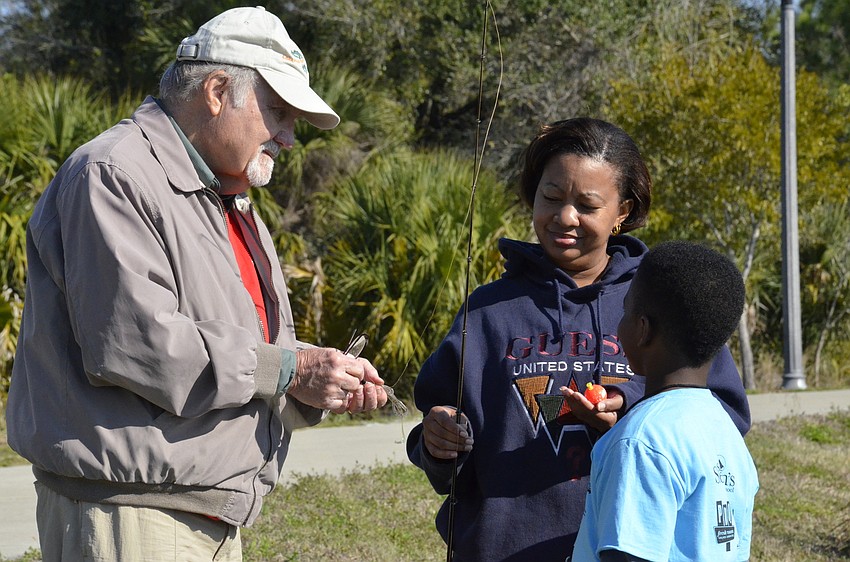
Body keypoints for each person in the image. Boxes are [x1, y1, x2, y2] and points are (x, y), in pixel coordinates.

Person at [5, 6, 387, 560]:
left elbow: (244, 349)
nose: (288, 137)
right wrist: (290, 369)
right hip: (133, 519)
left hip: (199, 514)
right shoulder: (114, 173)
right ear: (215, 91)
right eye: (279, 113)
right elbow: (138, 343)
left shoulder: (227, 200)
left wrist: (317, 378)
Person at [406, 117, 751, 561]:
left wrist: (630, 408)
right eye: (550, 197)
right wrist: (438, 441)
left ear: (622, 212)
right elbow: (438, 425)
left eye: (587, 205)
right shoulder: (488, 311)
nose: (565, 217)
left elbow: (721, 417)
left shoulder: (662, 299)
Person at [571, 240, 759, 561]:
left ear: (643, 330)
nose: (619, 326)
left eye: (626, 312)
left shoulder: (640, 441)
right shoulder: (727, 436)